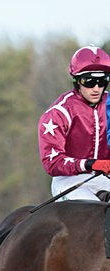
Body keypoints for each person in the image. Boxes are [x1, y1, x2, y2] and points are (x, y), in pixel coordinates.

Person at [38, 45, 110, 201]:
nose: (96, 88)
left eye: (102, 81)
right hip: (68, 180)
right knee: (90, 210)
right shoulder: (58, 113)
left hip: (104, 178)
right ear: (77, 81)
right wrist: (90, 164)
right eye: (89, 81)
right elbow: (52, 162)